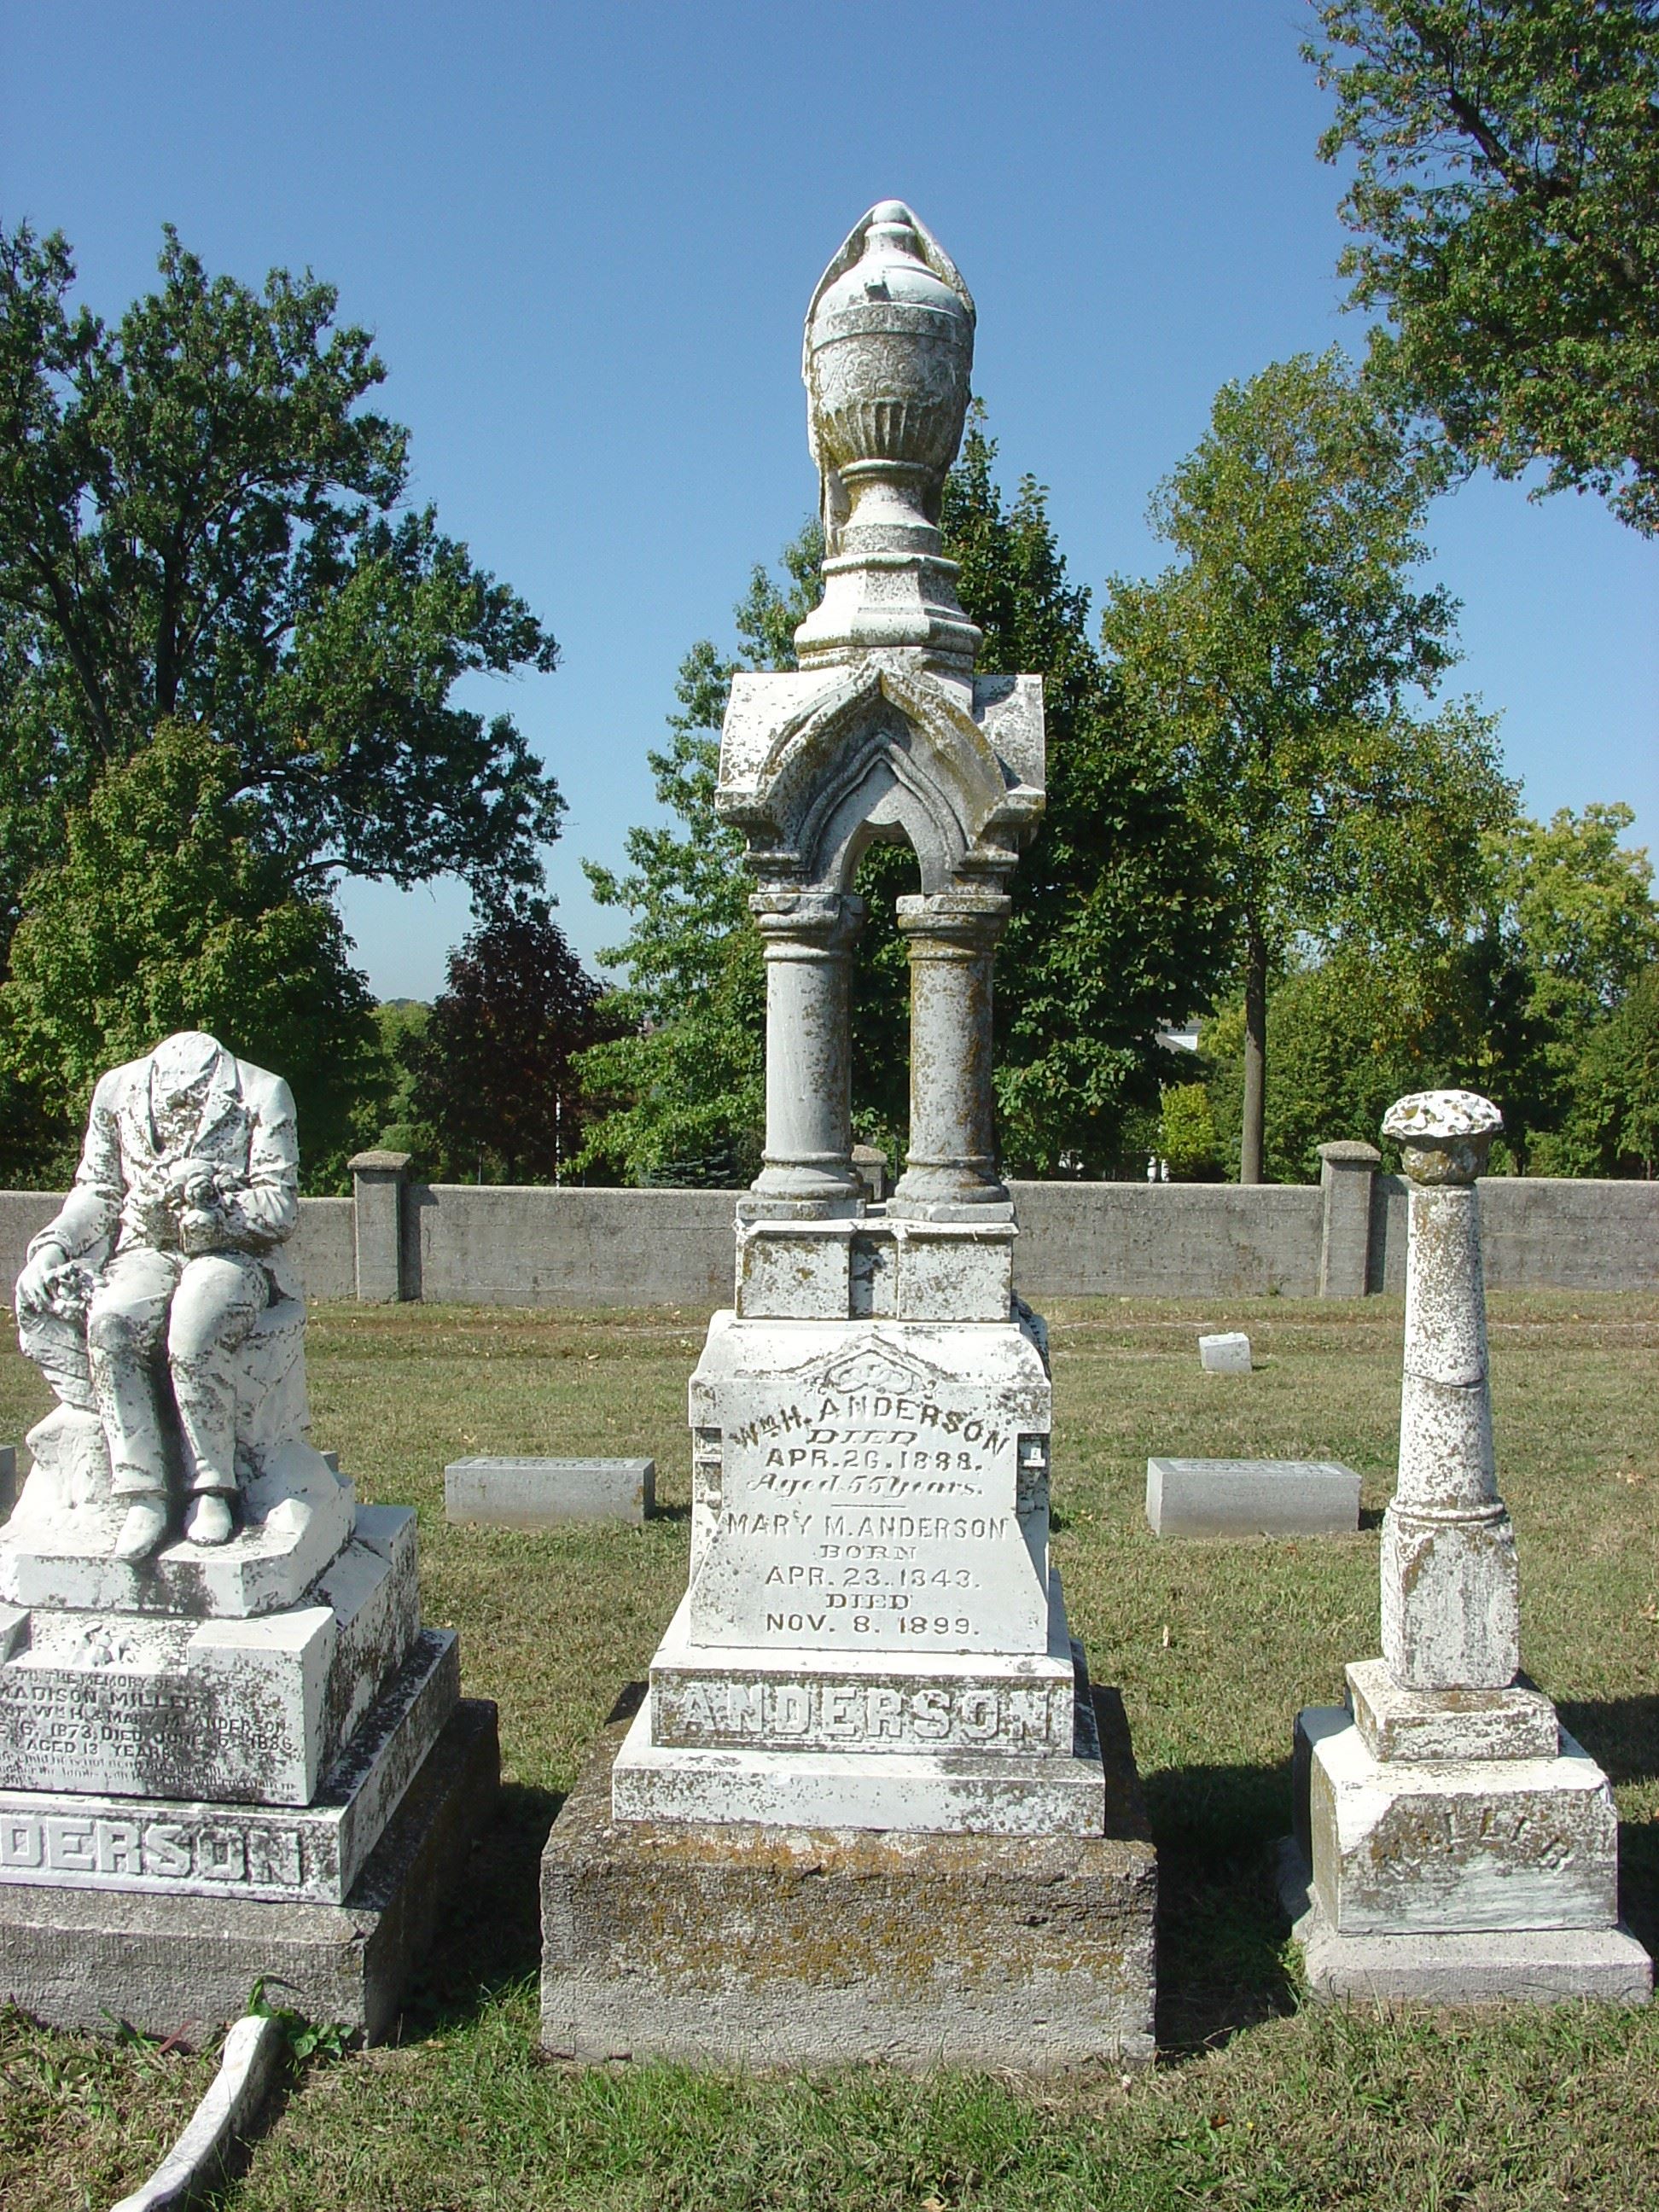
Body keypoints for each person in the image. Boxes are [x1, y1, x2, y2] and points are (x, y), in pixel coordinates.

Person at [13, 1031, 300, 1560]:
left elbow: (279, 1207)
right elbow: (98, 1189)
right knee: (112, 1322)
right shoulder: (117, 1089)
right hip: (144, 1248)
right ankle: (144, 1490)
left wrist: (216, 1205)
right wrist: (53, 1247)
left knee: (194, 1328)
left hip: (232, 1254)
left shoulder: (263, 1090)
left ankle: (212, 1486)